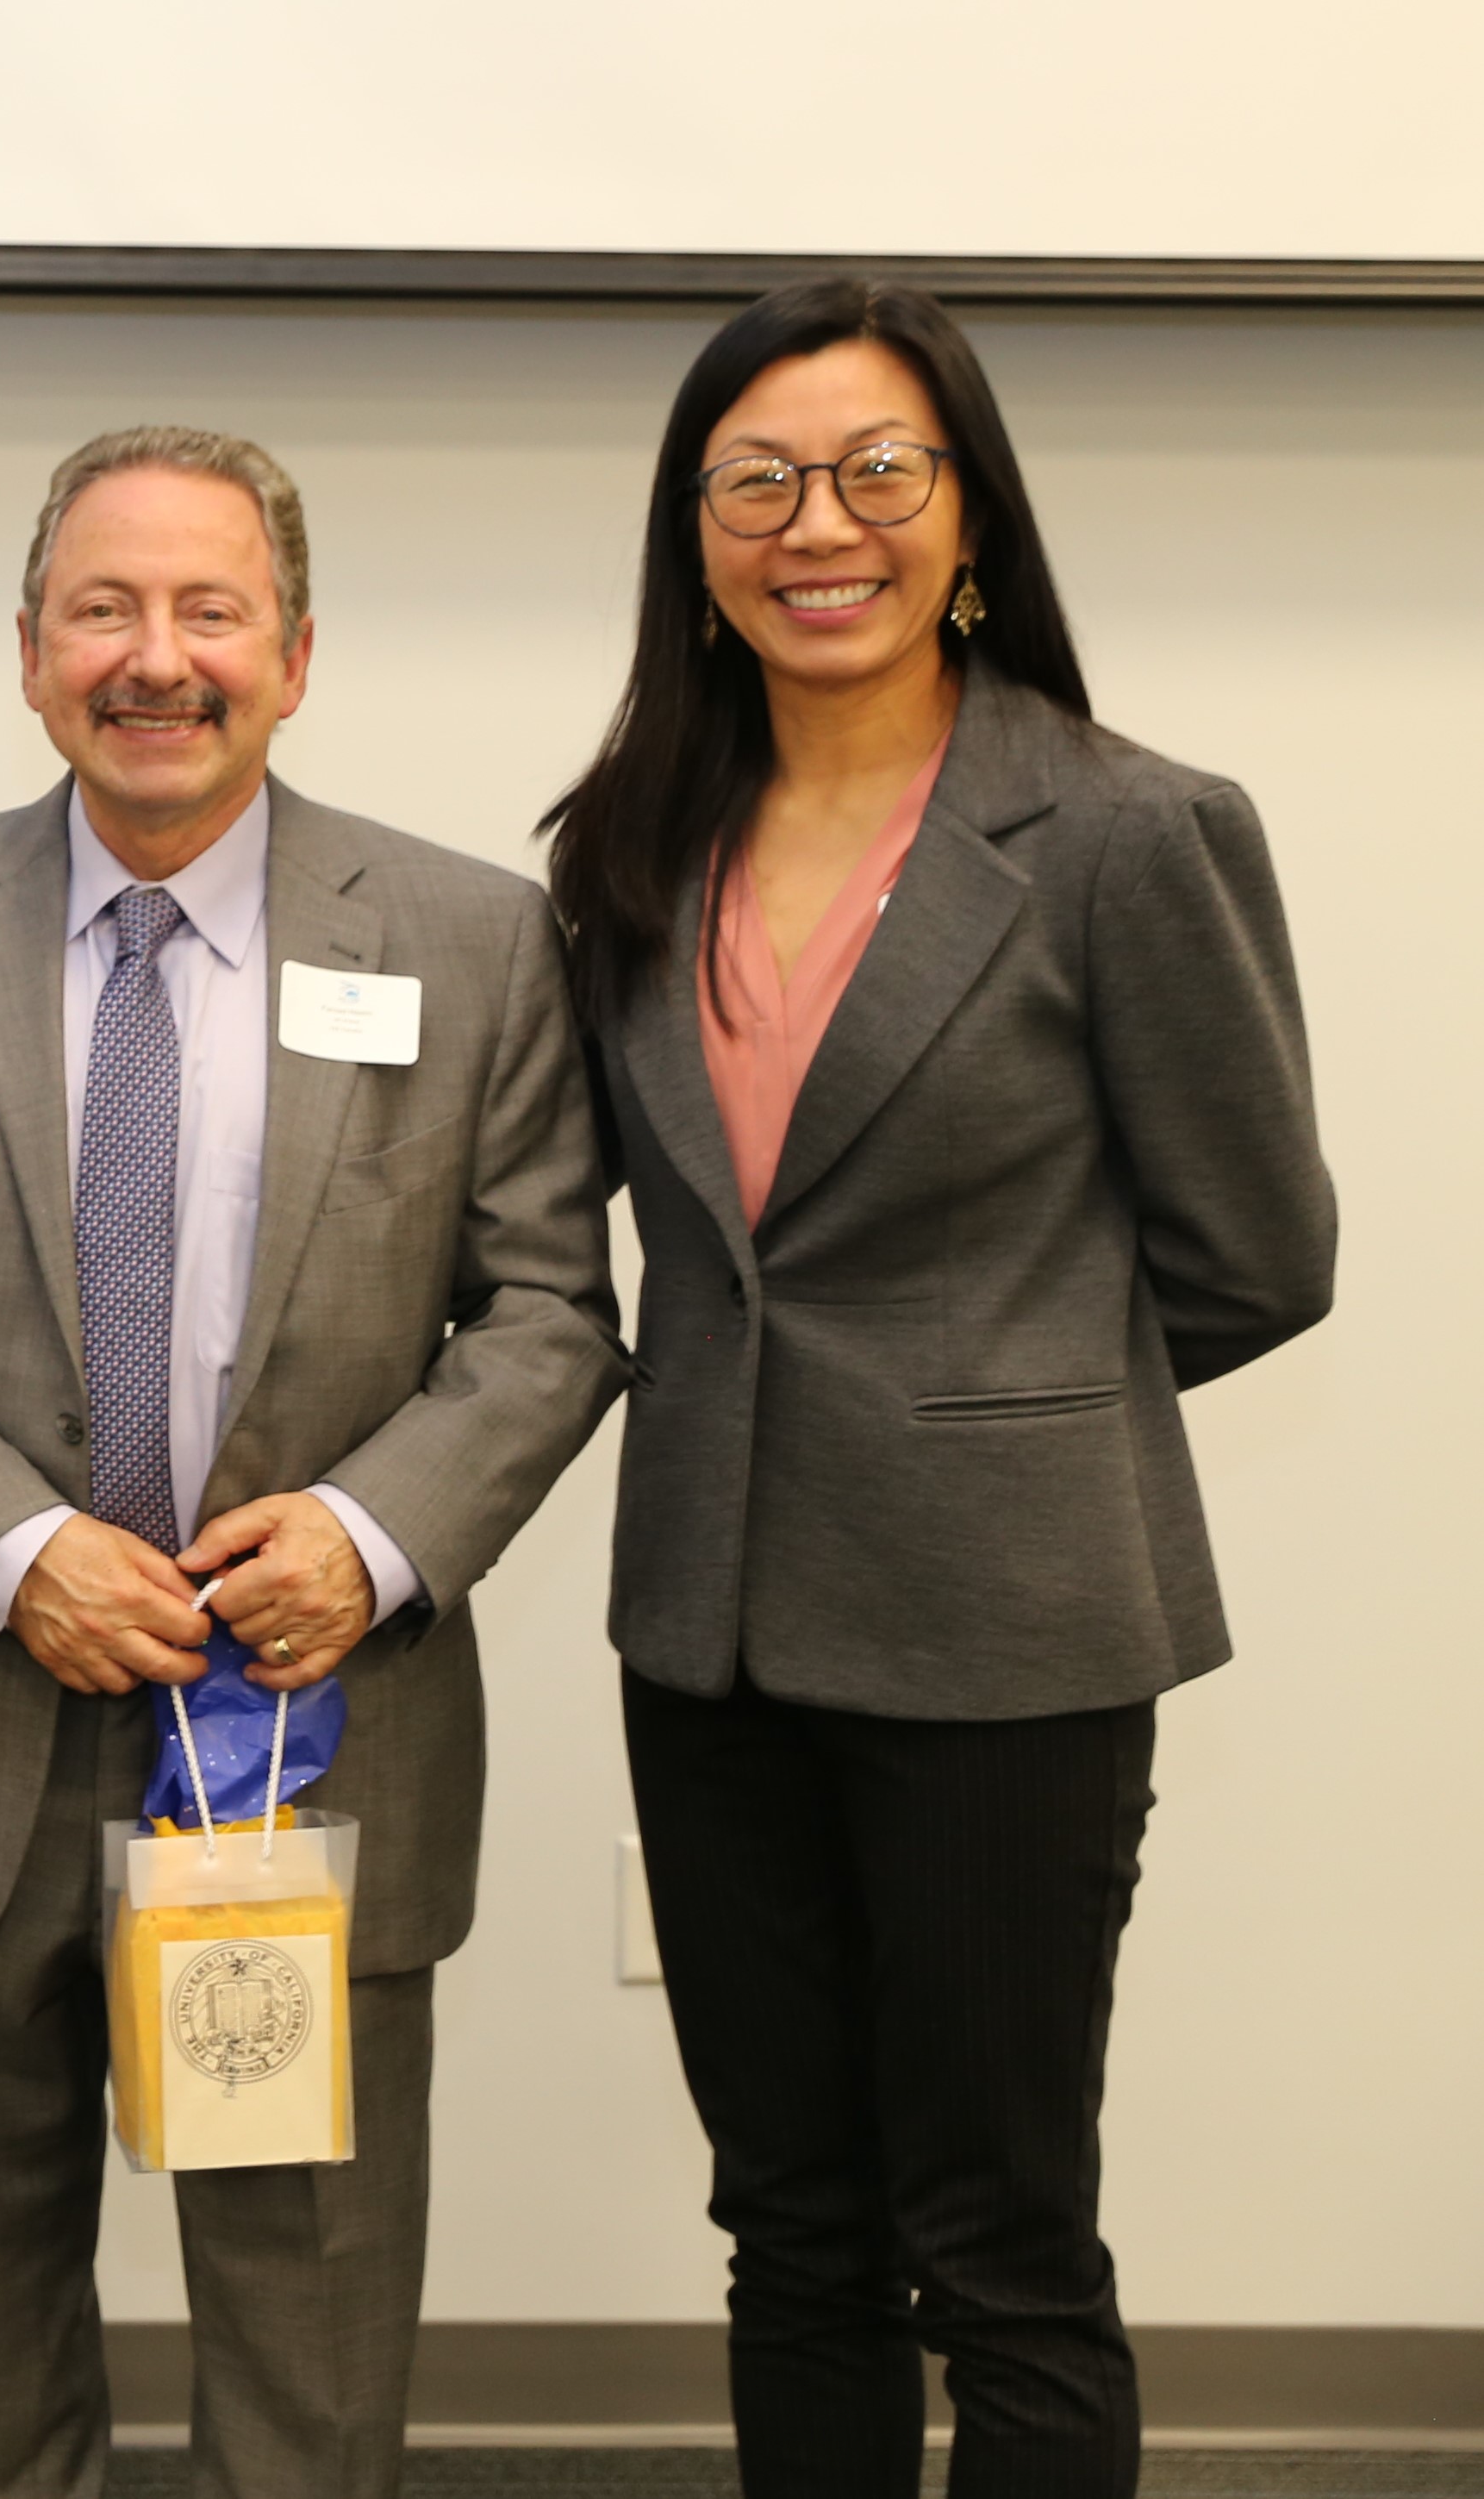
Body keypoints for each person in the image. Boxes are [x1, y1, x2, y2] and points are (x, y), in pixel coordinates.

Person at [0, 425, 623, 2498]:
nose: (156, 658)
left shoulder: (469, 940)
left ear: (295, 653)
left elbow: (549, 1312)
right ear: (27, 653)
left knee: (306, 2365)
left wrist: (374, 1532)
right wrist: (14, 1545)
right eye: (101, 609)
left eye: (206, 609)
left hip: (307, 1742)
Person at [542, 279, 1333, 2499]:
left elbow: (1257, 1251)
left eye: (879, 470)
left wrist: (987, 1413)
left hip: (1009, 1636)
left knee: (997, 2245)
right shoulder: (621, 848)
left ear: (963, 513)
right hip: (703, 1627)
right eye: (757, 479)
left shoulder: (1122, 831)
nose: (821, 524)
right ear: (691, 532)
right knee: (787, 2229)